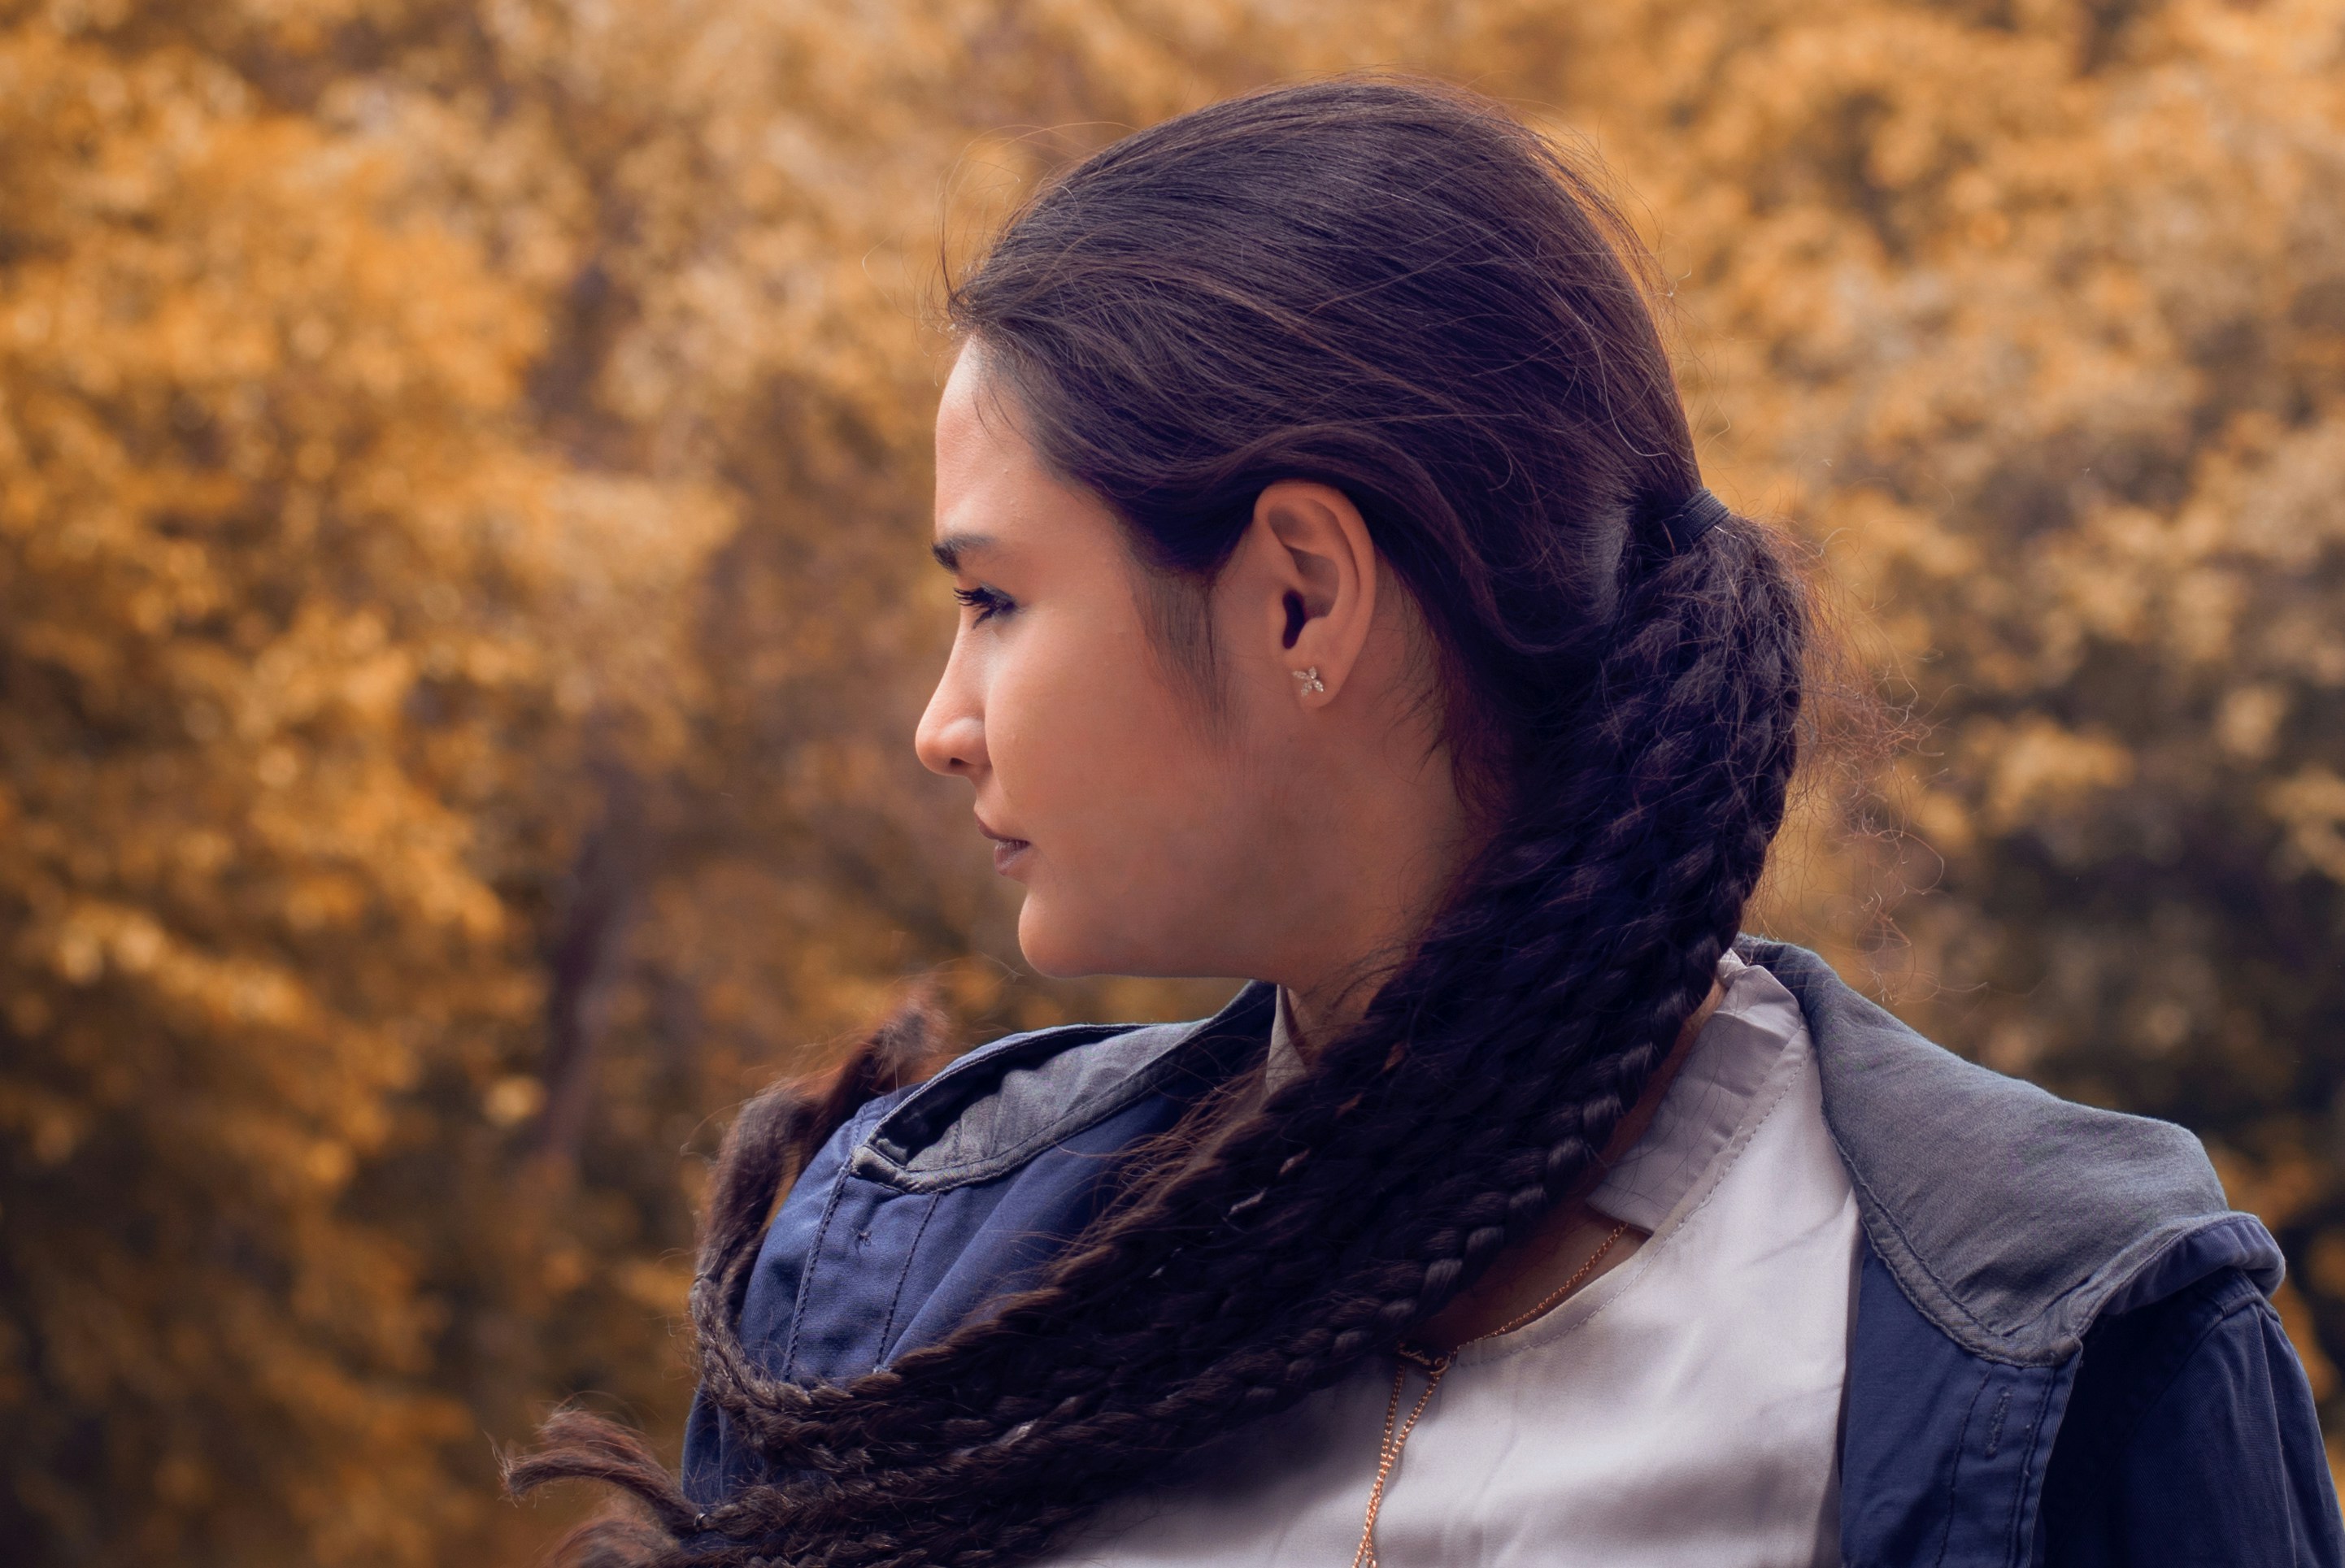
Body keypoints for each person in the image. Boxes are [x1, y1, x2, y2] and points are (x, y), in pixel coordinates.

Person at [511, 76, 2343, 1567]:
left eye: (991, 600)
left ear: (1299, 594)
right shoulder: (897, 1272)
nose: (939, 720)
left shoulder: (2062, 1338)